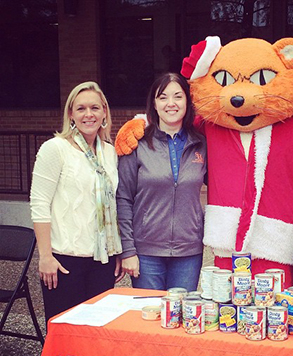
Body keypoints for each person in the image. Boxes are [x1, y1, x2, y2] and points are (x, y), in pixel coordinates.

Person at [30, 81, 123, 325]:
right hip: (64, 261)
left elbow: (114, 206)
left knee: (97, 335)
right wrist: (45, 256)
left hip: (102, 260)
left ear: (104, 112)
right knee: (65, 332)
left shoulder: (109, 153)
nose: (88, 114)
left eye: (94, 107)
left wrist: (118, 252)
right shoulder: (55, 149)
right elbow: (39, 204)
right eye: (80, 109)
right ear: (71, 114)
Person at [117, 72, 207, 291]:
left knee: (183, 318)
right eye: (163, 97)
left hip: (189, 252)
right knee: (148, 319)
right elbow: (123, 198)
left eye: (178, 96)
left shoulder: (201, 144)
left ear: (187, 102)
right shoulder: (137, 144)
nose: (171, 103)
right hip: (146, 252)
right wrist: (128, 250)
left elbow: (222, 187)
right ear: (154, 104)